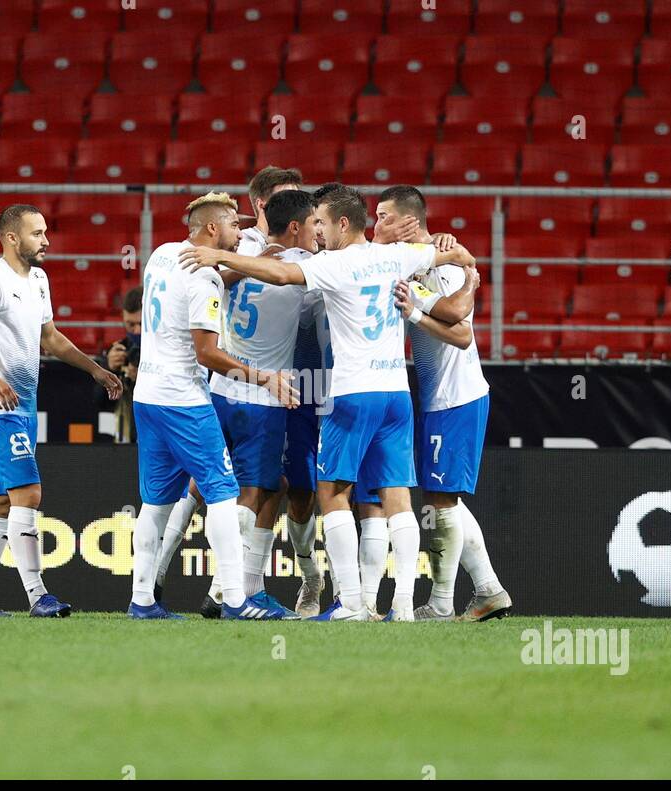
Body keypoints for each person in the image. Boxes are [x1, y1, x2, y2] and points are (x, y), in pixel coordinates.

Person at [180, 184, 476, 622]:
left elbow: (280, 275)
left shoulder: (336, 264)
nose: (316, 230)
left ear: (342, 223)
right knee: (398, 497)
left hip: (352, 394)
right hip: (396, 393)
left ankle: (353, 604)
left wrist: (219, 256)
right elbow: (458, 257)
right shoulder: (397, 255)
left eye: (320, 221)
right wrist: (451, 251)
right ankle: (403, 608)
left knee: (332, 492)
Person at [128, 192, 299, 620]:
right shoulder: (202, 280)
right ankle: (236, 600)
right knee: (224, 493)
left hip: (148, 396)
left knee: (156, 501)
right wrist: (265, 377)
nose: (240, 232)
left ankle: (142, 601)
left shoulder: (163, 255)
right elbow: (206, 354)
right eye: (233, 225)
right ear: (211, 229)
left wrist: (234, 274)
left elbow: (196, 286)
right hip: (185, 400)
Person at [0, 204, 123, 617]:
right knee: (28, 493)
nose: (46, 241)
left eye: (45, 232)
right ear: (12, 238)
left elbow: (50, 337)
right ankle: (38, 596)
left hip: (24, 405)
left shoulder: (40, 279)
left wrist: (95, 369)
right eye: (37, 233)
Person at [378, 185, 513, 622]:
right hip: (441, 399)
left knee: (439, 504)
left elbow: (461, 331)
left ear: (409, 221)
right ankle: (489, 590)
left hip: (457, 397)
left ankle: (440, 603)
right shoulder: (426, 260)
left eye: (383, 216)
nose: (375, 223)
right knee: (443, 499)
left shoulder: (447, 267)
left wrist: (415, 311)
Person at [95, 287, 142, 443]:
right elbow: (98, 402)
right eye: (130, 324)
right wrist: (109, 369)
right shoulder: (119, 351)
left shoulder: (165, 351)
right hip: (126, 438)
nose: (136, 331)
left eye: (141, 324)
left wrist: (142, 379)